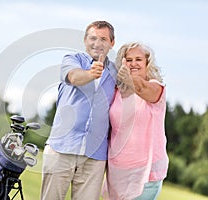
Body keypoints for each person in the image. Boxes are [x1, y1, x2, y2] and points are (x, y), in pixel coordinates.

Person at [40, 21, 117, 200]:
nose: (97, 43)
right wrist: (91, 73)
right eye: (93, 38)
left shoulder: (115, 71)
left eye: (103, 39)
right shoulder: (72, 59)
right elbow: (74, 77)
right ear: (85, 40)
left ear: (112, 43)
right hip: (62, 148)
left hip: (94, 156)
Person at [102, 42, 169, 200]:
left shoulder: (155, 88)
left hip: (146, 173)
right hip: (117, 172)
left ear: (147, 63)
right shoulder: (117, 92)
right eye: (128, 59)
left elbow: (140, 88)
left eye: (138, 59)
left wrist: (129, 78)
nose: (133, 63)